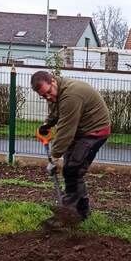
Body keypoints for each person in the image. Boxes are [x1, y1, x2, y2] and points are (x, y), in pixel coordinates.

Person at [31, 71, 111, 221]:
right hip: (80, 131)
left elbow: (66, 129)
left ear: (53, 81)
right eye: (43, 96)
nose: (48, 97)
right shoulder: (55, 93)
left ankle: (66, 214)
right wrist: (47, 124)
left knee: (73, 169)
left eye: (48, 92)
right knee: (72, 169)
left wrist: (54, 157)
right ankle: (82, 211)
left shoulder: (71, 95)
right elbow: (57, 112)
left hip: (95, 131)